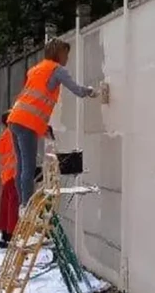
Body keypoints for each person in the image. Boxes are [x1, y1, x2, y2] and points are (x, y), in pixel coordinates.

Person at [7, 38, 99, 212]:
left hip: (15, 118)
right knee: (28, 166)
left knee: (20, 166)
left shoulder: (36, 69)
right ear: (59, 53)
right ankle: (27, 206)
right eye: (66, 53)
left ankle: (22, 204)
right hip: (28, 123)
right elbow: (77, 90)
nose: (67, 58)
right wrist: (92, 91)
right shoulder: (58, 70)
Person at [0, 109, 19, 249]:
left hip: (7, 176)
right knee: (13, 207)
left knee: (6, 207)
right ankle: (11, 236)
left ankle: (5, 235)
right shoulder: (13, 135)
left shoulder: (5, 136)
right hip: (14, 176)